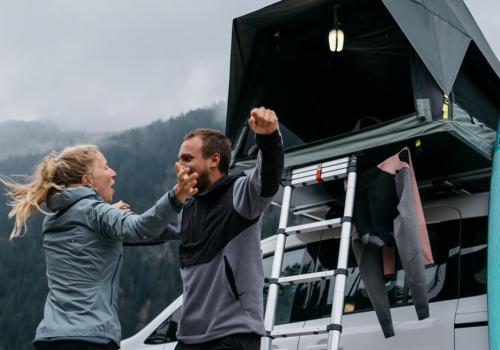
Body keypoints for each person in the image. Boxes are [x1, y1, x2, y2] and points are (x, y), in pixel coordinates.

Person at [0, 144, 198, 350]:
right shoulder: (97, 213)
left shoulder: (53, 219)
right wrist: (176, 196)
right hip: (89, 338)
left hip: (50, 338)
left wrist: (107, 215)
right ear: (87, 181)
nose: (113, 173)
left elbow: (84, 233)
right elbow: (141, 228)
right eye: (105, 167)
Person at [163, 107, 284, 350]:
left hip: (233, 334)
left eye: (187, 158)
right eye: (179, 160)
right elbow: (147, 230)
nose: (179, 166)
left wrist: (269, 138)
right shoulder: (188, 207)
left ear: (214, 159)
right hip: (189, 338)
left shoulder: (241, 194)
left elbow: (268, 179)